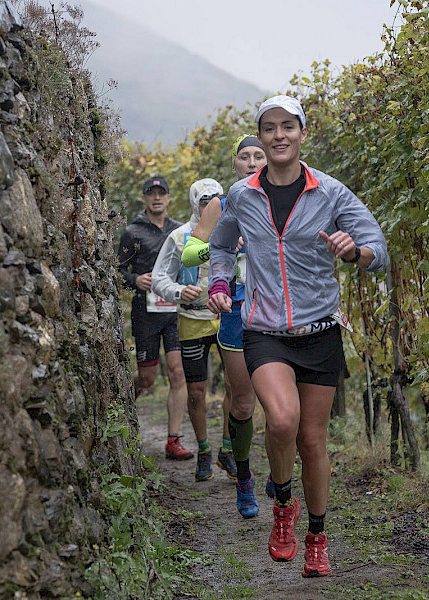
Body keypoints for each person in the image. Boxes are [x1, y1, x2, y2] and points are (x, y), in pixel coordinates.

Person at [208, 96, 389, 577]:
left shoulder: (330, 193)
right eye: (269, 128)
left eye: (288, 126)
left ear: (302, 134)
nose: (279, 135)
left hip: (320, 332)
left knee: (312, 441)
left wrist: (356, 252)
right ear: (261, 137)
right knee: (283, 421)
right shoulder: (242, 195)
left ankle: (317, 536)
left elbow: (378, 248)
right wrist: (220, 281)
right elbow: (221, 245)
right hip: (265, 331)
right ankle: (282, 508)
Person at [180, 135, 267, 518]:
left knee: (287, 403)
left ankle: (281, 479)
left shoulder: (293, 199)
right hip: (235, 307)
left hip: (283, 309)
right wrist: (229, 245)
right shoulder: (223, 204)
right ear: (234, 166)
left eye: (258, 155)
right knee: (243, 398)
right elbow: (191, 253)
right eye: (244, 157)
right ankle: (242, 473)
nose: (251, 162)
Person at [151, 178, 228, 483]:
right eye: (203, 200)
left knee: (237, 387)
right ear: (194, 203)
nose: (210, 205)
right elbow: (159, 278)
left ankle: (229, 450)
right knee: (196, 392)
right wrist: (177, 291)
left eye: (215, 199)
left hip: (228, 318)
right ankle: (205, 450)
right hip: (192, 319)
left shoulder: (234, 229)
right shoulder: (179, 236)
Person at [117, 176, 192, 461]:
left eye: (162, 193)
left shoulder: (181, 231)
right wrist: (136, 279)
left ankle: (173, 440)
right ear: (144, 198)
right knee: (147, 378)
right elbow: (117, 271)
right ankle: (124, 403)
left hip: (174, 311)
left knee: (177, 372)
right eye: (151, 193)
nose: (157, 198)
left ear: (169, 198)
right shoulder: (132, 233)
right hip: (145, 312)